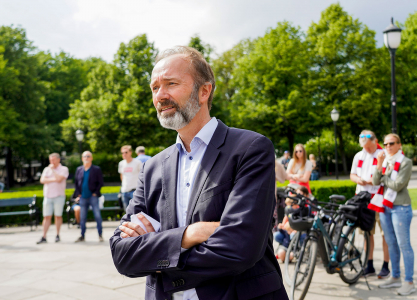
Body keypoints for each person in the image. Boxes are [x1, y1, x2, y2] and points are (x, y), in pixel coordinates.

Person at [110, 46, 288, 300]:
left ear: (204, 90)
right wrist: (189, 234)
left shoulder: (251, 149)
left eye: (171, 83)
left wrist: (158, 253)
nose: (160, 95)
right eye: (154, 88)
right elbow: (122, 253)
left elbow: (240, 249)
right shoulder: (152, 168)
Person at [372, 133, 415, 296]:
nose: (388, 146)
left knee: (404, 245)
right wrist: (380, 166)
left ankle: (409, 281)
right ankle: (395, 276)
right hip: (385, 206)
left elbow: (397, 186)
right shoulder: (384, 162)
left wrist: (383, 177)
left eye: (391, 143)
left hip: (400, 207)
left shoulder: (405, 162)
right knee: (391, 243)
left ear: (399, 145)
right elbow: (376, 181)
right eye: (385, 144)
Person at [350, 130, 391, 279]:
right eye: (364, 147)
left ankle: (386, 265)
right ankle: (369, 264)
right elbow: (352, 174)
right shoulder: (359, 155)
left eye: (368, 146)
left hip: (379, 198)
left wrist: (371, 180)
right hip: (363, 198)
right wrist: (359, 180)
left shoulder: (383, 155)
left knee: (384, 233)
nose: (366, 149)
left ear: (375, 141)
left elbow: (382, 177)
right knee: (367, 233)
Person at [36, 153, 69, 244]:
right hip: (48, 196)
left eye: (53, 160)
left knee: (58, 216)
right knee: (46, 216)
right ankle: (44, 236)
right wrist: (54, 179)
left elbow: (59, 179)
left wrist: (53, 172)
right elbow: (42, 180)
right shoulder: (46, 169)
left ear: (58, 160)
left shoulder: (64, 169)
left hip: (59, 196)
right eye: (50, 160)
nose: (52, 162)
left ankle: (57, 235)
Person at [73, 151, 104, 242]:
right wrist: (79, 193)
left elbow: (100, 182)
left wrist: (95, 192)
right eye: (84, 156)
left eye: (88, 156)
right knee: (82, 218)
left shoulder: (96, 169)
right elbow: (76, 183)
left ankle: (100, 235)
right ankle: (82, 235)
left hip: (93, 197)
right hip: (83, 197)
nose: (86, 158)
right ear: (82, 158)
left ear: (91, 158)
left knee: (97, 216)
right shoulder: (79, 169)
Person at [274, 186, 309, 262]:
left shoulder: (304, 209)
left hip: (297, 232)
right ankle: (285, 253)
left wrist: (294, 230)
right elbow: (285, 219)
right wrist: (282, 226)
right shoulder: (289, 209)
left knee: (293, 236)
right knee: (278, 239)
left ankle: (296, 251)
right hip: (288, 232)